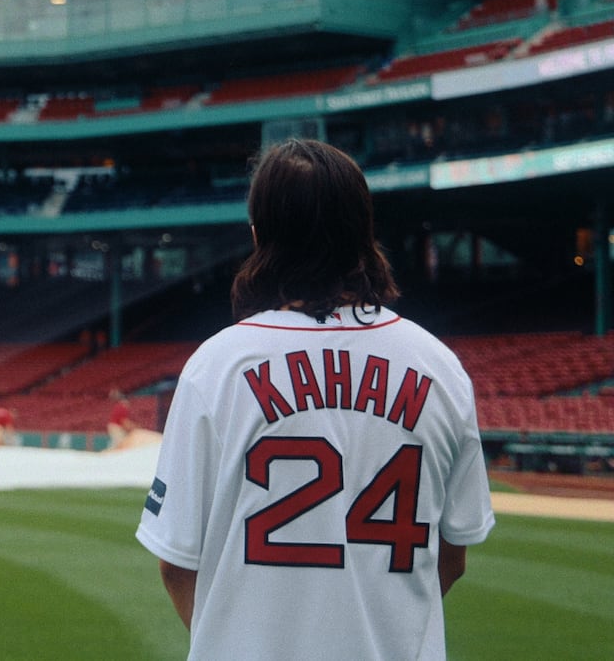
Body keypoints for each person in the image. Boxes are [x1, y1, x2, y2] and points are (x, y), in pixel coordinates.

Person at [135, 140, 494, 660]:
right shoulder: (439, 368)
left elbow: (177, 563)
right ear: (364, 233)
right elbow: (452, 556)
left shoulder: (216, 366)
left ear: (259, 235)